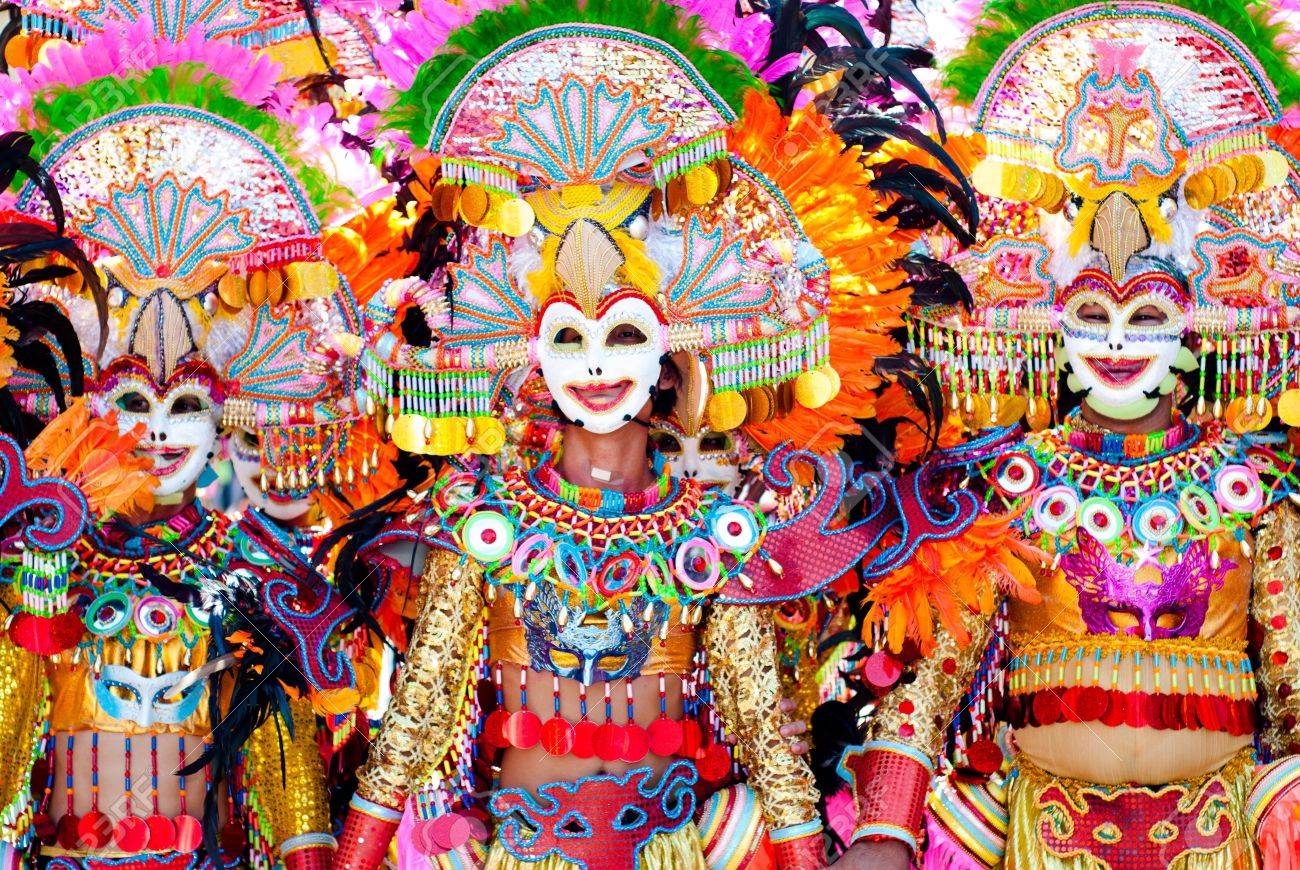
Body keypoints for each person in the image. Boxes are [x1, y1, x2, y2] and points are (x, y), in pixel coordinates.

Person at [327, 2, 979, 867]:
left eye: (625, 335)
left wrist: (804, 855)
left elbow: (765, 738)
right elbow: (413, 724)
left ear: (671, 356)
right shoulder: (477, 521)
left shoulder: (713, 531)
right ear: (530, 356)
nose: (597, 365)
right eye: (570, 338)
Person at [837, 2, 1300, 867]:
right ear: (1053, 322)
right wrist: (882, 830)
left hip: (1220, 834)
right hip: (1039, 835)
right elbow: (929, 688)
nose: (1118, 342)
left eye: (1145, 313)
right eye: (1093, 313)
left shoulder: (1257, 488)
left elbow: (1295, 693)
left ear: (1194, 323)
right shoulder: (1004, 484)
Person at [0, 20, 367, 868]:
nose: (160, 430)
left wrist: (311, 850)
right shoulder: (42, 549)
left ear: (229, 414)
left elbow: (279, 736)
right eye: (132, 400)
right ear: (84, 401)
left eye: (187, 404)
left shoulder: (248, 557)